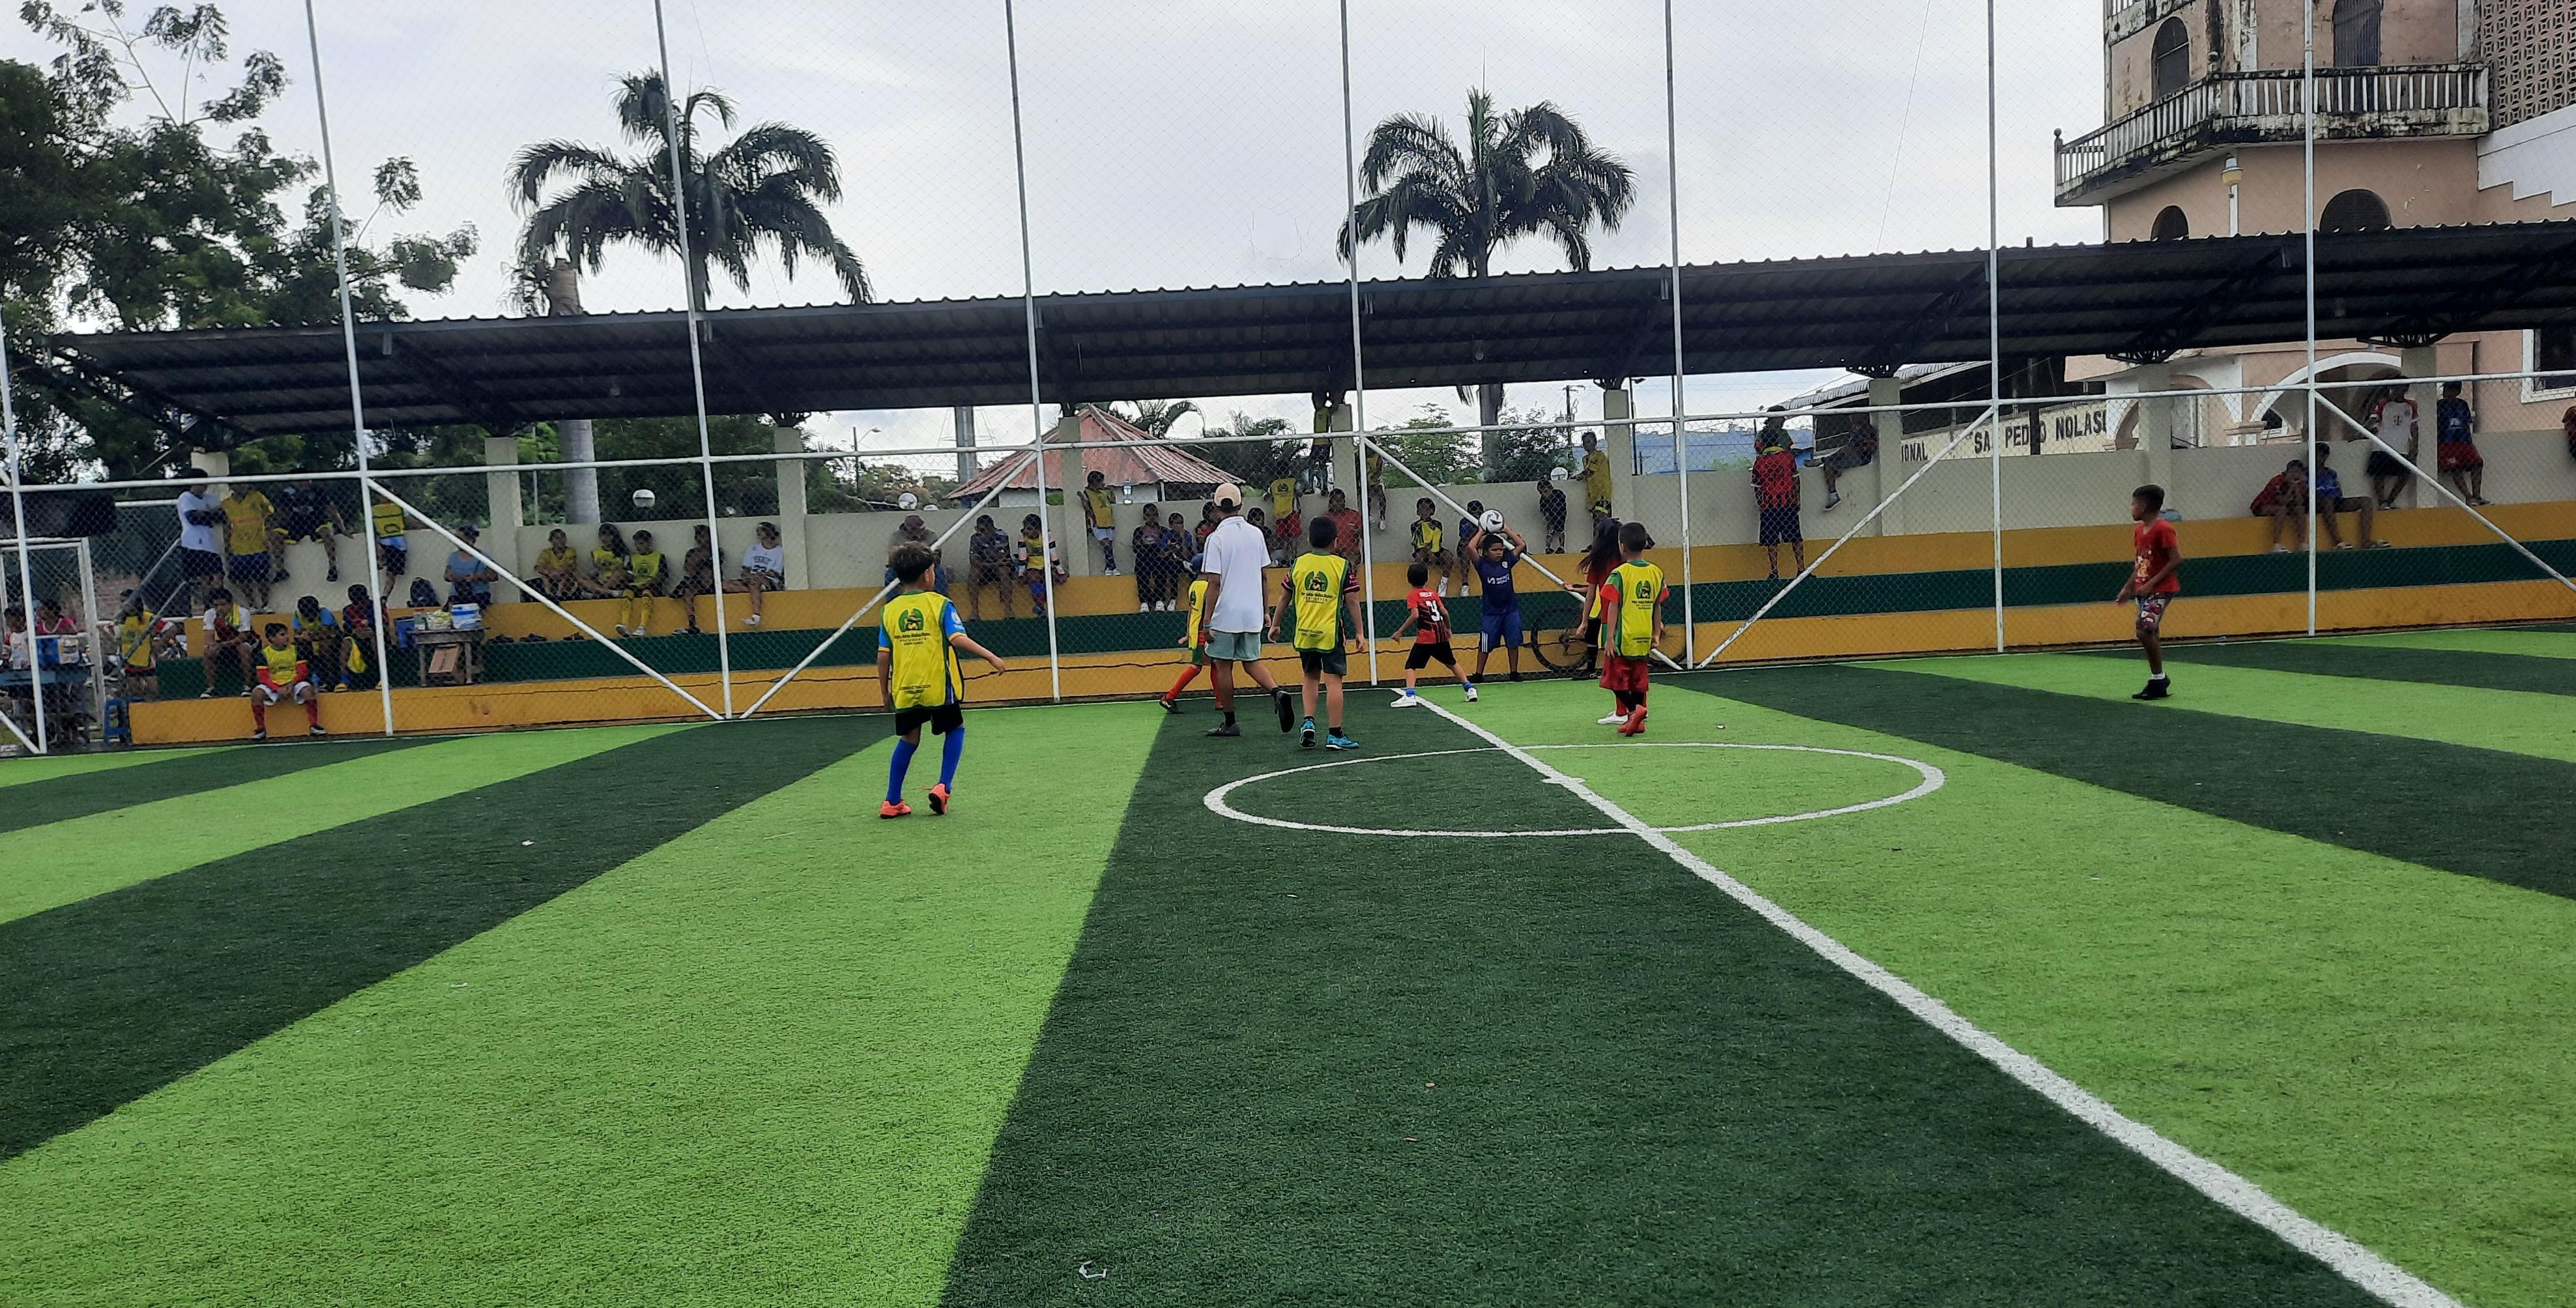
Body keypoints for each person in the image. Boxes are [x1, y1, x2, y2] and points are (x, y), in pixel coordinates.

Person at [876, 542, 1010, 818]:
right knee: (956, 728)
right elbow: (957, 638)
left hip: (905, 688)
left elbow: (883, 655)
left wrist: (884, 692)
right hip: (938, 687)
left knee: (909, 739)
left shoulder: (889, 610)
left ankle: (892, 801)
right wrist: (991, 656)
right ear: (928, 574)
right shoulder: (940, 604)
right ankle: (943, 787)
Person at [1194, 482, 1297, 739]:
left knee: (1223, 666)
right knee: (1252, 662)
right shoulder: (1256, 534)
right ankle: (1277, 692)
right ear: (1241, 505)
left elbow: (1214, 582)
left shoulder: (1215, 538)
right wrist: (1265, 611)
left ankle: (1230, 722)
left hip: (1225, 615)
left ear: (1216, 508)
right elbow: (1264, 577)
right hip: (1252, 612)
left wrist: (1207, 621)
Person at [1273, 514, 1363, 751]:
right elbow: (1352, 601)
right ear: (1336, 541)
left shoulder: (1298, 564)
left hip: (1305, 633)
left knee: (1310, 677)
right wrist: (1360, 633)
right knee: (1333, 682)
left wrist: (1275, 624)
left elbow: (1284, 597)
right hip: (1330, 634)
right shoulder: (1342, 566)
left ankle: (1308, 722)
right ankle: (1335, 734)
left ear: (1309, 540)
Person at [1591, 521, 1668, 736]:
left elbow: (1613, 606)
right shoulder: (1656, 573)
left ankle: (1634, 710)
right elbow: (1657, 605)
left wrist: (1609, 638)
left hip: (1623, 636)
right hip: (1644, 635)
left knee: (1615, 680)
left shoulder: (1619, 574)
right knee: (1638, 680)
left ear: (1622, 546)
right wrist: (1656, 632)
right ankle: (1637, 721)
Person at [2117, 483, 2182, 701]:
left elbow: (2176, 559)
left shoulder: (2164, 529)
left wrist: (2152, 584)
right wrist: (2129, 587)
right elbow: (2141, 563)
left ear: (2143, 507)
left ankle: (2159, 678)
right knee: (2151, 632)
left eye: (2133, 504)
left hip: (2161, 589)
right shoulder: (2139, 532)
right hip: (2144, 590)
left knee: (2144, 630)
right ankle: (2158, 681)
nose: (2131, 508)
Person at [1388, 561, 1468, 706]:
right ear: (1427, 578)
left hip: (1426, 637)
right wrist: (1448, 629)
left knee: (1410, 665)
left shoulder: (1413, 595)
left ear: (1408, 579)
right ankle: (1470, 689)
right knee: (1452, 662)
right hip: (1440, 635)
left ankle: (1410, 696)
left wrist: (1400, 632)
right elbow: (1445, 612)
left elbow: (1415, 615)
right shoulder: (1433, 593)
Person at [1467, 519, 1529, 684]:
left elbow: (1521, 545)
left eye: (1501, 549)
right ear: (1486, 552)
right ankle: (1479, 674)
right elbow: (1471, 548)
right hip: (1491, 613)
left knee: (1513, 642)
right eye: (1495, 550)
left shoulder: (1507, 561)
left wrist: (1505, 529)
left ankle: (1514, 672)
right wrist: (1481, 531)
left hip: (1511, 611)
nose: (1499, 553)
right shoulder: (1482, 565)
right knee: (1485, 644)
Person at [249, 622, 323, 740]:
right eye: (282, 635)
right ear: (272, 638)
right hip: (274, 685)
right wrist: (276, 688)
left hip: (294, 683)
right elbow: (263, 677)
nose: (287, 637)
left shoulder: (297, 650)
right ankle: (261, 729)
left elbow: (303, 672)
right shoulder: (264, 654)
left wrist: (291, 684)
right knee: (256, 694)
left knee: (308, 691)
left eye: (286, 634)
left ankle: (314, 726)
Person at [1570, 517, 1623, 679]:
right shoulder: (1624, 560)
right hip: (1626, 611)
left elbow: (1591, 594)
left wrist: (1584, 621)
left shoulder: (1599, 561)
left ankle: (1597, 670)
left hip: (1609, 611)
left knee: (1607, 643)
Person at [272, 477, 349, 583]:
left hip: (316, 520)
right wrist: (275, 525)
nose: (303, 483)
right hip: (295, 523)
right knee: (275, 536)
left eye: (306, 480)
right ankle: (281, 570)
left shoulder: (318, 491)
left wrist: (342, 528)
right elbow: (281, 512)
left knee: (327, 533)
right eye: (299, 481)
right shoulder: (287, 493)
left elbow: (331, 509)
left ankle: (333, 567)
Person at [1159, 557, 1211, 713]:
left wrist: (1188, 633)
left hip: (1196, 629)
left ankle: (1221, 701)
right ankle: (1169, 697)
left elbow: (1192, 610)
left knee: (1215, 664)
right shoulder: (1208, 586)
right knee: (1197, 666)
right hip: (1203, 631)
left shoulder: (1194, 585)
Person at [1752, 429, 1805, 579]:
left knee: (1771, 540)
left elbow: (1757, 487)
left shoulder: (1760, 462)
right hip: (1788, 502)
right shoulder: (1788, 457)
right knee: (1796, 538)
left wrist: (1761, 504)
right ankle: (1801, 569)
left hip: (1769, 505)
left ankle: (1775, 571)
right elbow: (1796, 479)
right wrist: (1797, 498)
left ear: (1762, 443)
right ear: (1777, 441)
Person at [218, 480, 278, 607]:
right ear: (231, 486)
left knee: (262, 578)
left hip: (259, 544)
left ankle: (265, 605)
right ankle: (252, 605)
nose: (241, 486)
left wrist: (267, 532)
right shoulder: (226, 504)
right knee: (243, 579)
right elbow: (226, 526)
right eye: (238, 483)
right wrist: (227, 546)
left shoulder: (257, 497)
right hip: (238, 546)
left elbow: (271, 514)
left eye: (243, 483)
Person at [2311, 450, 2387, 549]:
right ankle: (2339, 542)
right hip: (2318, 503)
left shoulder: (2331, 473)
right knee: (2327, 501)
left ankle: (2366, 541)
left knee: (2366, 501)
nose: (2318, 459)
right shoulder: (2307, 473)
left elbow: (2337, 489)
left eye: (2321, 456)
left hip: (2336, 501)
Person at [174, 472, 225, 609]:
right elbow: (193, 518)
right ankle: (208, 606)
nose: (204, 486)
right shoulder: (186, 497)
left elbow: (222, 516)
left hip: (210, 544)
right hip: (194, 544)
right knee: (203, 578)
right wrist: (210, 514)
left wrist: (206, 514)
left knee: (218, 576)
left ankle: (218, 603)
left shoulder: (210, 498)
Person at [2364, 386, 2418, 508]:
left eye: (2398, 389)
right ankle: (2382, 502)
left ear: (2404, 390)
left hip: (2401, 447)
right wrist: (2360, 432)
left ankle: (2390, 500)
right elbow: (2373, 419)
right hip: (2382, 445)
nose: (2394, 392)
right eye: (2393, 389)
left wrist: (2415, 446)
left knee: (2405, 474)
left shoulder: (2411, 406)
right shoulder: (2383, 404)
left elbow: (2414, 427)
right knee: (2379, 474)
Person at [726, 520, 786, 627]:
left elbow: (775, 573)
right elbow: (745, 570)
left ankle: (756, 617)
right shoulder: (753, 549)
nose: (758, 533)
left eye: (761, 530)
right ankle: (757, 590)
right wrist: (748, 576)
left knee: (755, 582)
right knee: (724, 585)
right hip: (751, 579)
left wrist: (758, 576)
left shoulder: (779, 551)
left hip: (768, 580)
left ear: (769, 532)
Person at [198, 587, 256, 698]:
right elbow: (209, 635)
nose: (219, 608)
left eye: (223, 605)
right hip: (225, 642)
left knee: (243, 648)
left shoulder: (242, 612)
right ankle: (211, 688)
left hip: (247, 642)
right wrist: (212, 645)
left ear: (230, 604)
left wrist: (221, 645)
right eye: (216, 605)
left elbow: (243, 637)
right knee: (207, 651)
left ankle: (248, 685)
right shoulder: (210, 614)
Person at [2435, 380, 2485, 505]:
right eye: (2445, 390)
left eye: (2450, 390)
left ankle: (2477, 496)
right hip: (2446, 443)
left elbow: (2467, 424)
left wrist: (2469, 443)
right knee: (2456, 468)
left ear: (2457, 392)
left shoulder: (2462, 404)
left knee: (2478, 463)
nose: (2446, 393)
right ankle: (2468, 497)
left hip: (2464, 442)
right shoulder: (2439, 406)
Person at [1816, 414, 1875, 512]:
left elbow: (1871, 446)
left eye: (1854, 415)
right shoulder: (1854, 430)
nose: (1851, 418)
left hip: (1861, 457)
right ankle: (1833, 494)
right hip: (1850, 455)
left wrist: (1858, 447)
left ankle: (1822, 460)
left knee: (1844, 450)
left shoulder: (1867, 430)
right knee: (1830, 465)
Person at [669, 524, 720, 634]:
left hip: (712, 583)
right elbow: (688, 568)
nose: (701, 540)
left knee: (706, 571)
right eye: (698, 537)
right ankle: (692, 623)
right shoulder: (692, 552)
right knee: (688, 593)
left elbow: (713, 568)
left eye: (704, 536)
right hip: (696, 582)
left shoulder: (717, 551)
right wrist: (699, 556)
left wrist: (702, 557)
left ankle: (682, 585)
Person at [2251, 459, 2310, 552]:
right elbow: (2283, 501)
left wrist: (2296, 487)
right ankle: (2277, 544)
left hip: (2286, 507)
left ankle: (2302, 543)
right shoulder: (2277, 481)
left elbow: (2300, 502)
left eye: (2299, 472)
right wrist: (2291, 487)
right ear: (2288, 472)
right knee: (2281, 509)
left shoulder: (2301, 484)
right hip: (2264, 505)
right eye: (2294, 472)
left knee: (2300, 509)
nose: (2296, 475)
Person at [965, 514, 1016, 620]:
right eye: (977, 529)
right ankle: (975, 612)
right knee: (974, 574)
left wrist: (989, 557)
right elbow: (974, 561)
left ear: (991, 528)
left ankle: (1008, 610)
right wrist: (992, 562)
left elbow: (1003, 559)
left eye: (982, 530)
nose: (979, 532)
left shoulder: (1001, 536)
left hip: (1000, 567)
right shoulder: (975, 538)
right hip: (986, 567)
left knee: (1003, 571)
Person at [113, 591, 162, 699]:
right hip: (129, 659)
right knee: (135, 691)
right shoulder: (121, 620)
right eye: (122, 602)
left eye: (126, 601)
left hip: (146, 658)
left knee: (153, 690)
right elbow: (117, 640)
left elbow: (169, 628)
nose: (124, 605)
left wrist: (157, 644)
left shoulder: (148, 617)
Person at [291, 594, 345, 690]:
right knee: (300, 648)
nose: (310, 618)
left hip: (332, 639)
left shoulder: (324, 612)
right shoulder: (298, 615)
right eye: (307, 615)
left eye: (312, 614)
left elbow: (326, 631)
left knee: (325, 648)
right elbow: (297, 633)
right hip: (312, 639)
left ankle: (332, 680)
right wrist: (302, 637)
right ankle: (310, 679)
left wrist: (309, 636)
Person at [619, 529, 667, 637]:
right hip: (636, 585)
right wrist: (627, 574)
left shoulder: (659, 556)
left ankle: (642, 626)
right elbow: (629, 573)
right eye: (636, 544)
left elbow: (662, 575)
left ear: (649, 543)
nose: (638, 547)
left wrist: (648, 583)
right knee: (627, 593)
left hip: (652, 585)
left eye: (641, 544)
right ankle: (625, 624)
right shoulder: (633, 557)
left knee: (646, 594)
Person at [885, 514, 948, 593]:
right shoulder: (896, 537)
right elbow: (892, 556)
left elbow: (937, 556)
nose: (915, 532)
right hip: (903, 566)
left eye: (918, 529)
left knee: (939, 573)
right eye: (913, 529)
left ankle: (941, 597)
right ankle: (892, 599)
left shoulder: (931, 535)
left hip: (925, 566)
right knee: (890, 576)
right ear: (905, 528)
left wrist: (925, 562)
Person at [1016, 514, 1062, 616]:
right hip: (1032, 565)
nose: (1026, 531)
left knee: (1051, 578)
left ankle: (1044, 605)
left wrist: (1060, 571)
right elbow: (1022, 556)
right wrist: (1021, 574)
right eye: (1025, 528)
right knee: (1034, 578)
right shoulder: (1023, 537)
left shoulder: (1047, 535)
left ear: (1038, 529)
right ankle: (1040, 606)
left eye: (1029, 529)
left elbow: (1053, 554)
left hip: (1047, 564)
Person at [339, 585, 382, 691]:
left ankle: (381, 677)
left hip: (374, 634)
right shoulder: (347, 610)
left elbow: (383, 623)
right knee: (346, 642)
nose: (358, 605)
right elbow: (347, 626)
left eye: (361, 602)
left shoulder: (376, 606)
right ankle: (344, 680)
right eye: (356, 603)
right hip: (356, 636)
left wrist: (369, 629)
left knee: (373, 638)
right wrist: (355, 632)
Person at [1408, 498, 1453, 596]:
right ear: (1418, 511)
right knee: (1419, 558)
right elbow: (1418, 542)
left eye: (1428, 509)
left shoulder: (1437, 524)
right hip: (1422, 549)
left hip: (1436, 548)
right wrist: (1428, 552)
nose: (1425, 512)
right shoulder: (1415, 525)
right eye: (1422, 509)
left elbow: (1437, 539)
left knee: (1448, 556)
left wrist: (1434, 552)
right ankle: (1421, 585)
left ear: (1433, 511)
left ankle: (1444, 583)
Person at [444, 526, 498, 607]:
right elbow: (447, 575)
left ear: (471, 540)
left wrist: (477, 576)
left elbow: (494, 576)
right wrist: (452, 577)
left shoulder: (483, 556)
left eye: (460, 539)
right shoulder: (453, 556)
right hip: (457, 594)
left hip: (479, 595)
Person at [1080, 469, 1120, 575]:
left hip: (1108, 522)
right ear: (1094, 482)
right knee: (1106, 544)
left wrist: (1112, 491)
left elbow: (1113, 501)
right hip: (1097, 522)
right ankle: (1114, 567)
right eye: (1101, 481)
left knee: (1109, 545)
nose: (1103, 484)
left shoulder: (1104, 492)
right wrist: (1082, 498)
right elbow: (1086, 505)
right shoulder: (1087, 493)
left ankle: (1108, 568)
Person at [1131, 502, 1168, 612]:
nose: (1151, 518)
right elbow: (1135, 548)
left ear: (1157, 516)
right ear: (1144, 517)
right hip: (1144, 556)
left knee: (1161, 570)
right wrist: (1144, 544)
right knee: (1142, 572)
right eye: (1148, 515)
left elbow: (1166, 546)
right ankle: (1144, 602)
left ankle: (1159, 600)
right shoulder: (1139, 531)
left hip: (1158, 556)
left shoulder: (1163, 530)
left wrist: (1158, 543)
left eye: (1154, 515)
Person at [369, 493, 411, 581]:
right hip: (387, 540)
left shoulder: (399, 508)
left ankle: (383, 561)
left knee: (392, 574)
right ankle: (382, 560)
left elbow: (410, 521)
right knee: (391, 575)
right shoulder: (374, 510)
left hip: (396, 542)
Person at [532, 529, 583, 602]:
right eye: (557, 538)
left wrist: (559, 572)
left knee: (565, 576)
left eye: (562, 537)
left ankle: (559, 594)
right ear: (551, 541)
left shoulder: (570, 551)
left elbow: (571, 566)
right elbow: (538, 567)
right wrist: (550, 572)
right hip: (551, 576)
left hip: (565, 576)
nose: (560, 540)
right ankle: (549, 594)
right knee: (544, 577)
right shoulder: (546, 552)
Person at [581, 523, 631, 598]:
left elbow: (627, 570)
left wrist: (618, 568)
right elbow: (595, 571)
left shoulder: (623, 551)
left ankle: (599, 591)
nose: (605, 538)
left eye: (608, 536)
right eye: (603, 535)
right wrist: (596, 570)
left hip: (617, 581)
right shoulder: (596, 552)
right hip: (601, 580)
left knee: (619, 572)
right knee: (580, 578)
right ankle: (607, 592)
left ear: (614, 536)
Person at [1579, 431, 1614, 533]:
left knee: (1600, 520)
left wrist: (1581, 476)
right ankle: (1601, 540)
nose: (1587, 444)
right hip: (1593, 495)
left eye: (1589, 441)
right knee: (1598, 520)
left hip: (1602, 493)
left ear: (1595, 443)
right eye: (1585, 442)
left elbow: (1591, 470)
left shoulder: (1599, 455)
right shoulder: (1585, 459)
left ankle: (1601, 540)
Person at [1450, 500, 1483, 596]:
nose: (1476, 514)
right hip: (1469, 545)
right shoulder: (1465, 522)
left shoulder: (1485, 520)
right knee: (1465, 551)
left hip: (1483, 544)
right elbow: (1464, 541)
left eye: (1478, 512)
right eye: (1473, 511)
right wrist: (1476, 528)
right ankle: (1465, 585)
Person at [1325, 488, 1363, 562]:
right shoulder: (1326, 518)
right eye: (1337, 501)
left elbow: (1363, 534)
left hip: (1351, 552)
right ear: (1330, 503)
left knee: (1350, 558)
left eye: (1342, 500)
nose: (1340, 503)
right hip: (1332, 553)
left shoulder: (1353, 515)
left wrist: (1359, 532)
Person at [1537, 469, 1569, 554]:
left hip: (1561, 514)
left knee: (1560, 529)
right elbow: (1544, 511)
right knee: (1550, 530)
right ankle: (1548, 547)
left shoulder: (1559, 493)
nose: (1544, 494)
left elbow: (1563, 504)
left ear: (1551, 489)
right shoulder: (1543, 500)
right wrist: (1548, 518)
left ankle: (1562, 547)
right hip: (1550, 514)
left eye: (1546, 491)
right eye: (1541, 493)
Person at [1363, 445, 1387, 531]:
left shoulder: (1377, 456)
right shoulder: (1361, 455)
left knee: (1381, 495)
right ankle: (1368, 515)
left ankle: (1382, 518)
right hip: (1365, 480)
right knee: (1367, 496)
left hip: (1376, 479)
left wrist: (1375, 478)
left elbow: (1379, 470)